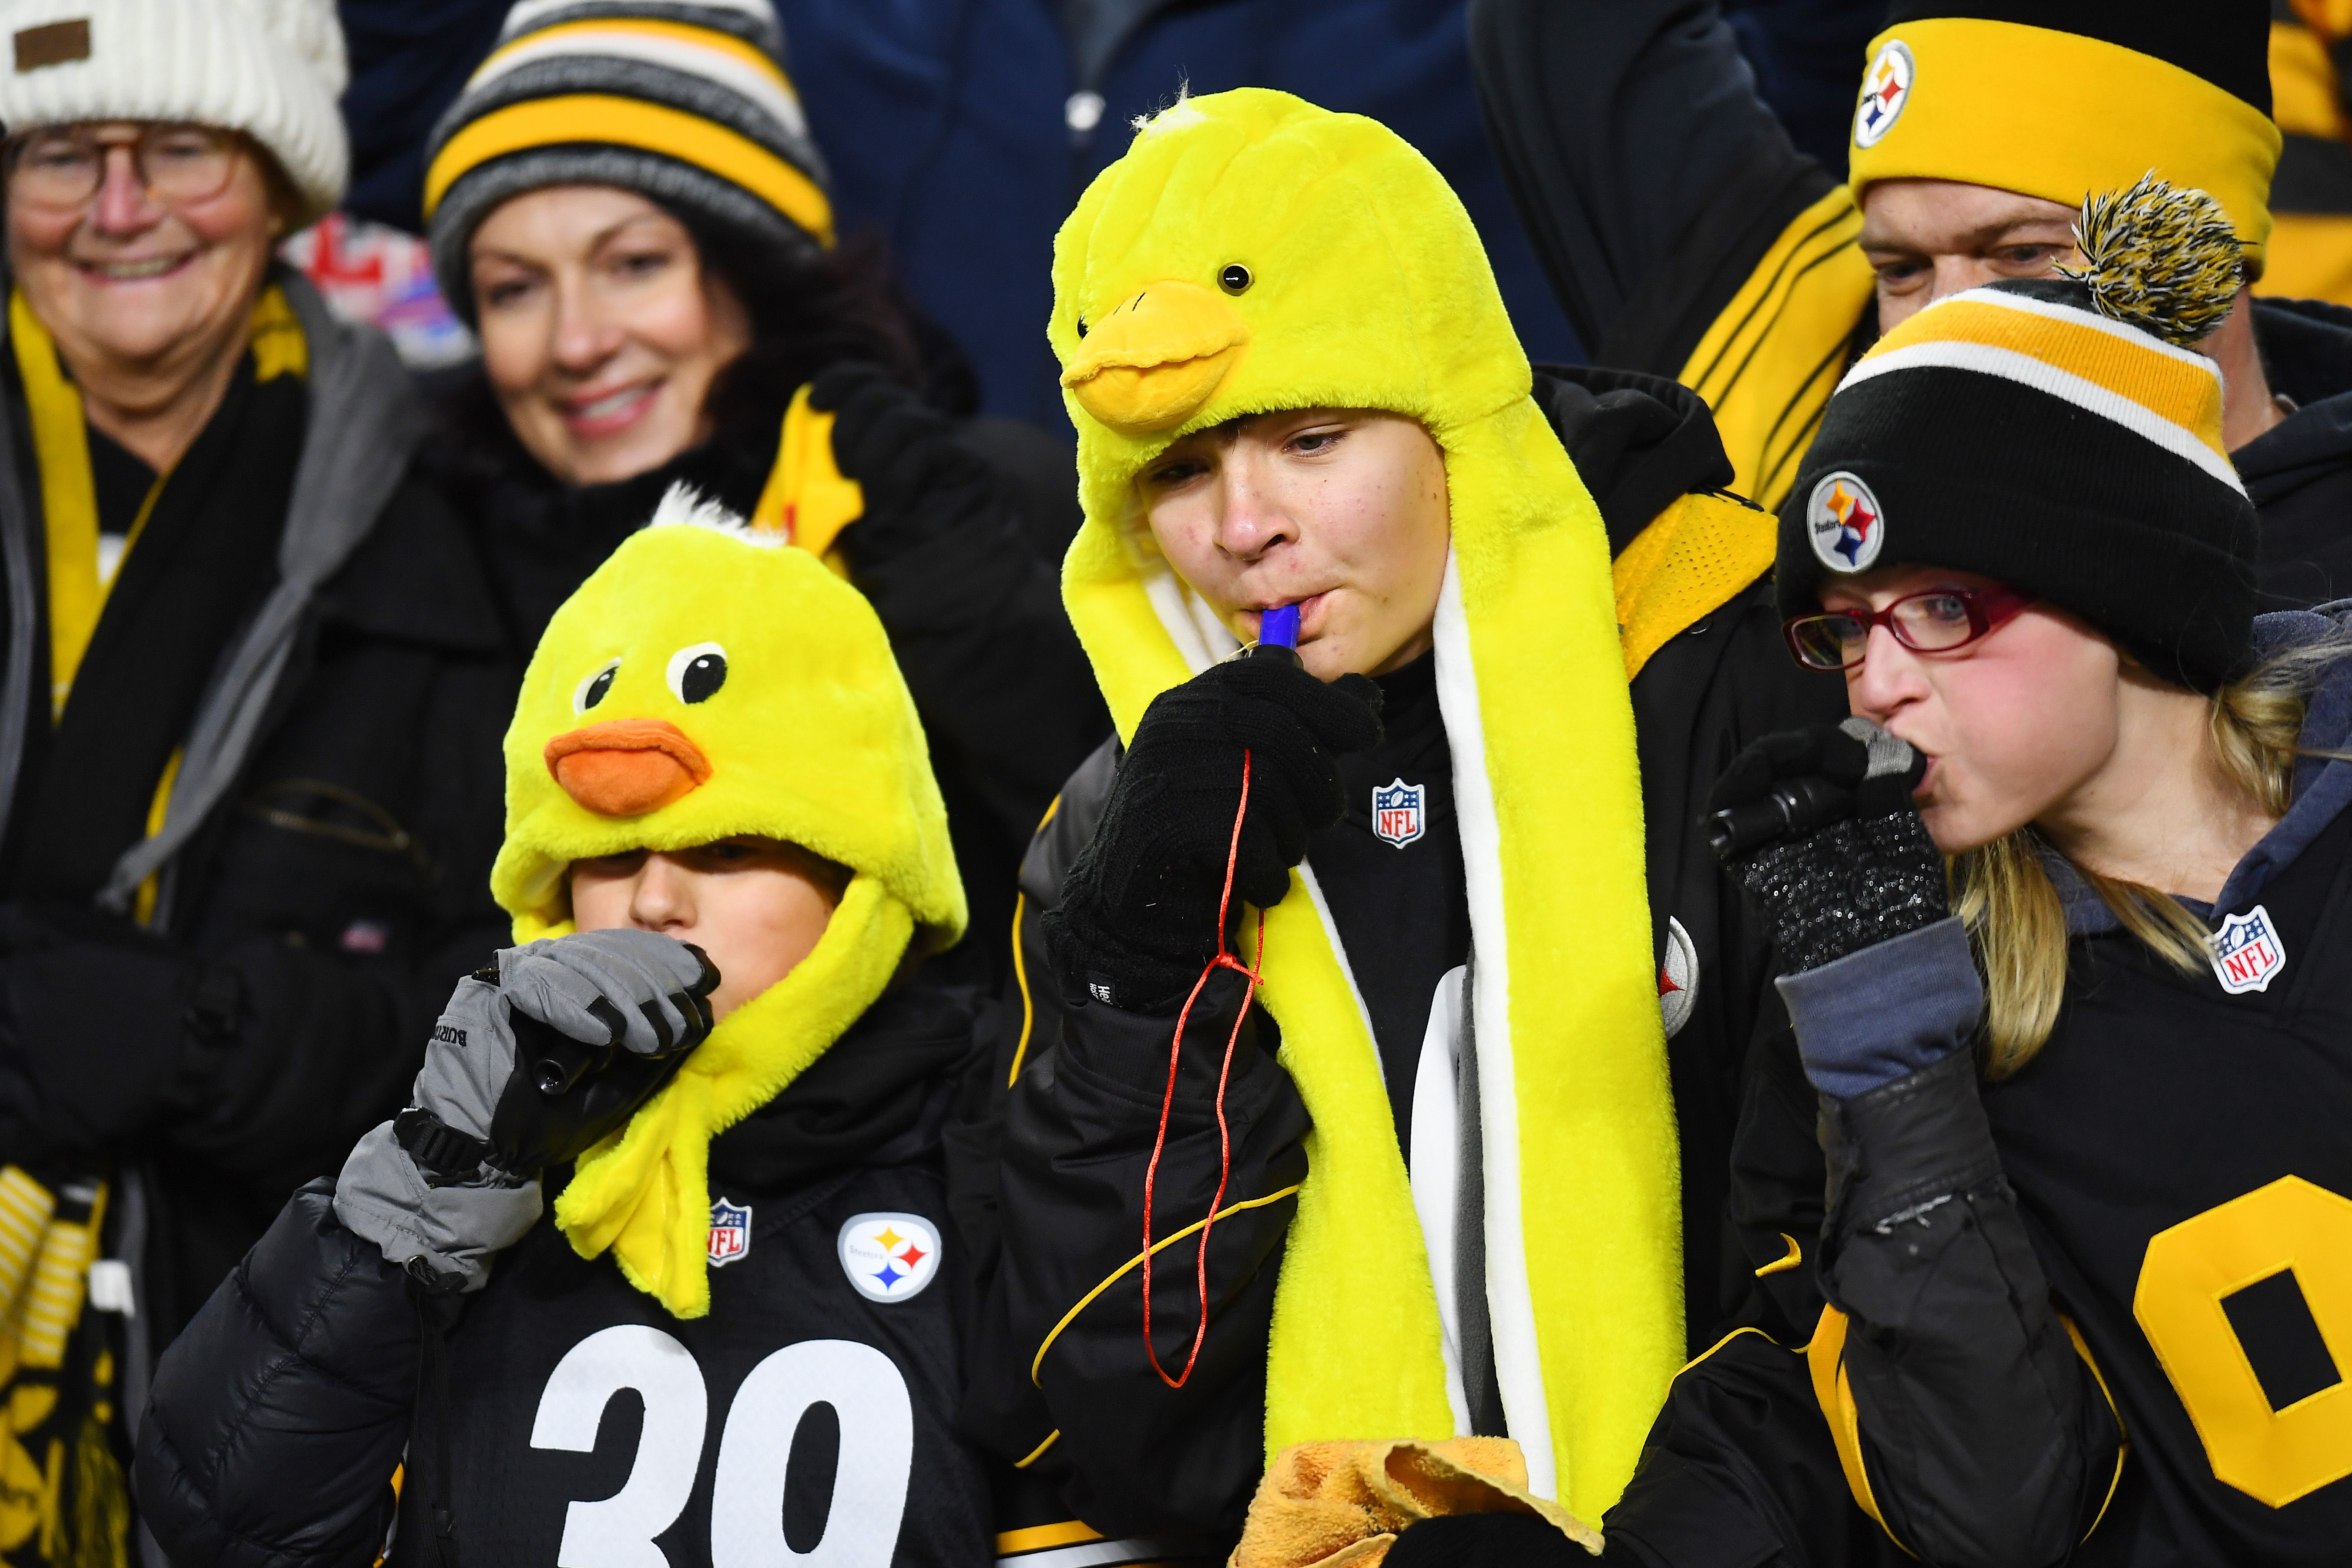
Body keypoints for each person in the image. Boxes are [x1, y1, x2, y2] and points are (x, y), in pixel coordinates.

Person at [1398, 177, 2352, 1568]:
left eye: (1944, 610)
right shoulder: (1888, 977)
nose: (1879, 685)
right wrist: (1888, 1052)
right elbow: (1984, 1512)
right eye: (1842, 631)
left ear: (2129, 589)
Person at [953, 85, 1788, 1545]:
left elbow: (1866, 1273)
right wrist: (1142, 974)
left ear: (1456, 414)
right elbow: (1106, 1412)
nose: (1243, 527)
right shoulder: (1108, 833)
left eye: (1310, 437)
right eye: (1180, 471)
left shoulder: (1736, 667)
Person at [132, 490, 1006, 1566]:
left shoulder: (1001, 1142)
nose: (655, 903)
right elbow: (228, 1525)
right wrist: (430, 1179)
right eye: (613, 856)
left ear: (864, 881)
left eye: (727, 850)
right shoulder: (473, 1153)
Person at [0, 1, 513, 1556]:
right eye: (60, 154)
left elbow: (473, 1007)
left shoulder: (455, 524)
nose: (117, 209)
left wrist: (180, 1035)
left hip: (240, 1388)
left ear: (287, 186)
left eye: (180, 151)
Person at [419, 0, 1110, 982]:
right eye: (514, 288)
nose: (576, 341)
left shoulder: (967, 500)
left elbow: (1134, 884)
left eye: (634, 264)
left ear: (753, 272)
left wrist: (965, 609)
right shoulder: (435, 566)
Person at [1470, 0, 2352, 611]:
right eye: (1899, 268)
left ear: (2205, 252)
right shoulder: (1801, 356)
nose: (1948, 326)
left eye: (2022, 253)